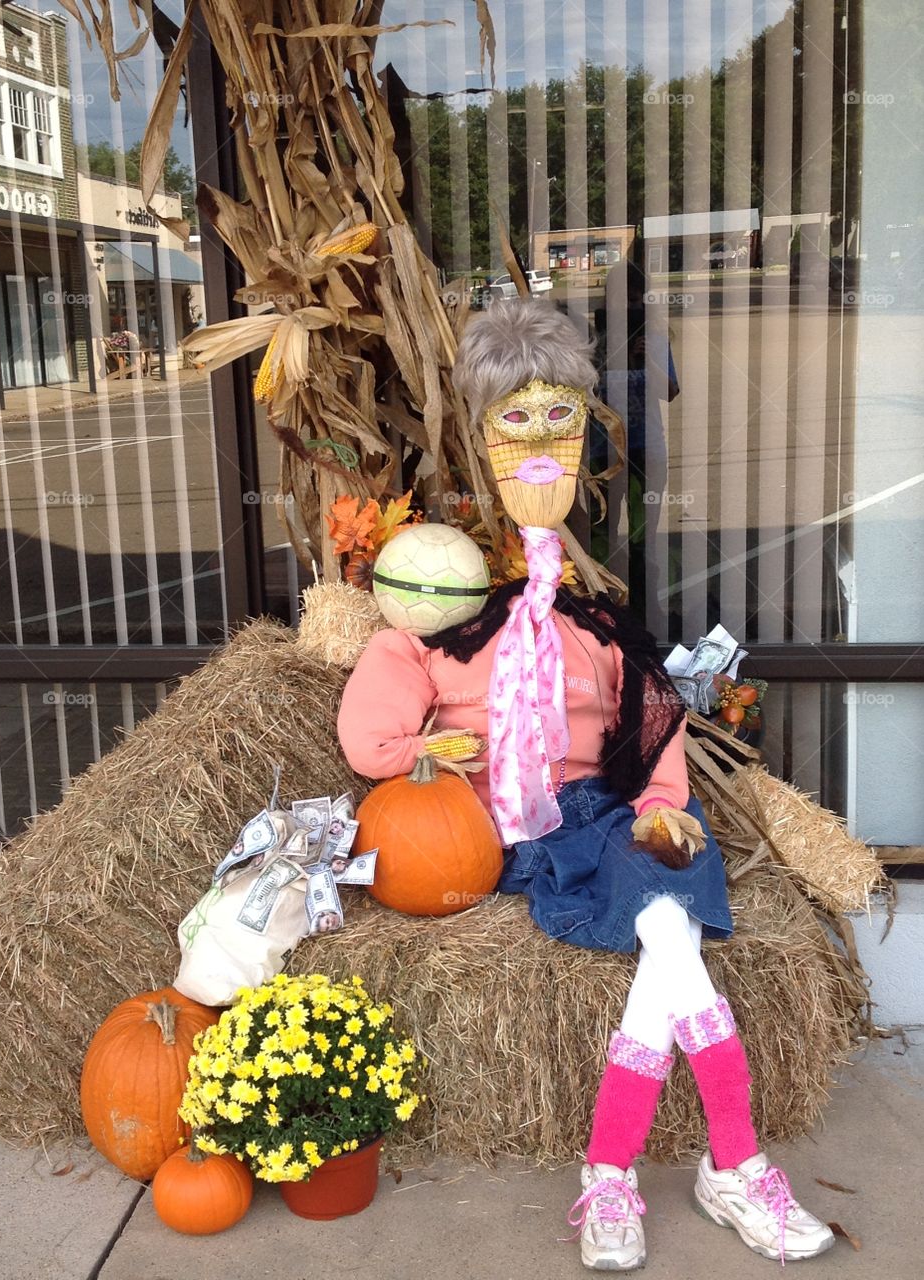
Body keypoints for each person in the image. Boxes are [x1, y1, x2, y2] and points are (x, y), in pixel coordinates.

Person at [338, 299, 833, 1271]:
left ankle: (621, 1172)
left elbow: (649, 724)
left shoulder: (588, 618)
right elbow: (370, 736)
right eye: (511, 418)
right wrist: (426, 754)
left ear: (584, 437)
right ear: (480, 444)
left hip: (616, 809)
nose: (535, 442)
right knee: (669, 931)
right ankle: (723, 1167)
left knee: (666, 924)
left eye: (557, 417)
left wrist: (659, 806)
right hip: (512, 829)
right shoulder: (438, 615)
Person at [592, 259, 679, 615]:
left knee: (645, 537)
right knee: (603, 531)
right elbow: (584, 393)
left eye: (634, 299)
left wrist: (649, 359)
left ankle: (647, 607)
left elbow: (670, 391)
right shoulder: (593, 342)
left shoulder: (655, 339)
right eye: (620, 299)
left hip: (647, 451)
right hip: (603, 452)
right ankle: (605, 603)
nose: (628, 307)